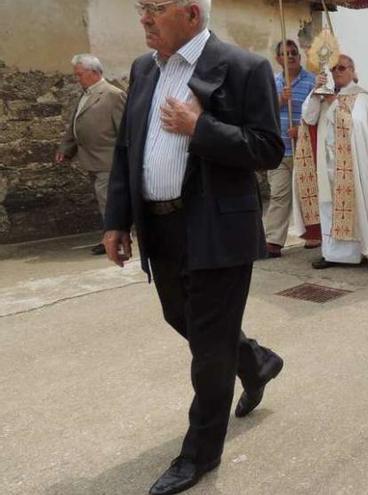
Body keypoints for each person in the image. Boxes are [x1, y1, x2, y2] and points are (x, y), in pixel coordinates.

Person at [102, 2, 285, 493]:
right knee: (182, 319)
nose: (143, 19)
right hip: (160, 230)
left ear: (189, 13)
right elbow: (128, 148)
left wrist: (199, 129)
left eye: (154, 9)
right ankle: (255, 361)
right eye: (141, 8)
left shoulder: (245, 67)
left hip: (217, 230)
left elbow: (268, 148)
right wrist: (117, 219)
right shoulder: (144, 69)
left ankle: (198, 455)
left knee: (207, 350)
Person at [299, 55, 368, 270]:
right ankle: (331, 254)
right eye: (334, 69)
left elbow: (357, 126)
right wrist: (316, 93)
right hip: (327, 162)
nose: (337, 72)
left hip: (352, 165)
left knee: (354, 207)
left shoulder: (363, 98)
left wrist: (334, 105)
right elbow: (309, 117)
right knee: (328, 208)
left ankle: (358, 252)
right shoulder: (326, 95)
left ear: (352, 70)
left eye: (342, 68)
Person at [55, 54, 127, 255]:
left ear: (94, 72)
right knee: (105, 201)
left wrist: (125, 160)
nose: (77, 79)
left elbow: (125, 131)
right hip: (92, 160)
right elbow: (75, 124)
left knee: (108, 203)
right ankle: (112, 238)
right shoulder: (85, 94)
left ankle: (114, 242)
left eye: (79, 75)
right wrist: (66, 149)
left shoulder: (113, 95)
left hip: (108, 160)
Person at [263, 39, 316, 258]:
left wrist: (302, 130)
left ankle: (313, 235)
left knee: (307, 194)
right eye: (285, 53)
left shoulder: (312, 81)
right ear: (278, 59)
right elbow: (263, 112)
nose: (291, 56)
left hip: (303, 150)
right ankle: (273, 241)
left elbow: (317, 113)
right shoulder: (270, 82)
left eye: (294, 52)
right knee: (279, 194)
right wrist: (281, 100)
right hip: (278, 149)